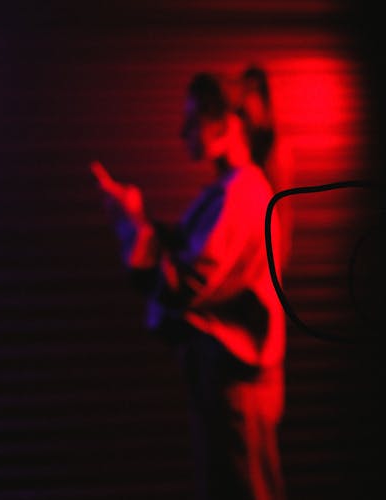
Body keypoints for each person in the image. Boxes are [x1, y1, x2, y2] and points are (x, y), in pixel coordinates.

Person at [90, 72, 287, 500]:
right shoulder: (228, 191)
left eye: (193, 119)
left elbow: (183, 285)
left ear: (230, 124)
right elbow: (183, 250)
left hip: (238, 384)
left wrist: (135, 232)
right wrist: (136, 219)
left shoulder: (242, 194)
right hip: (225, 378)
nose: (182, 132)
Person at [234, 64, 294, 273]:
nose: (246, 99)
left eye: (252, 91)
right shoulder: (242, 143)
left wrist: (280, 255)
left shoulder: (275, 147)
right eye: (244, 90)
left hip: (264, 242)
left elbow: (283, 205)